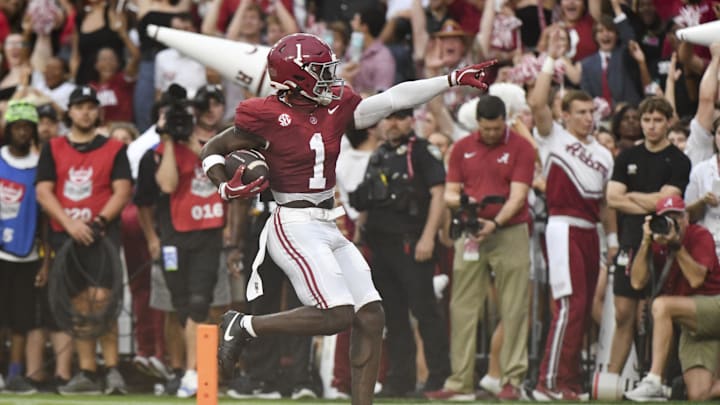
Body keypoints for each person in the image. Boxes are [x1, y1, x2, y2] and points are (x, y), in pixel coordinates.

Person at [199, 33, 495, 405]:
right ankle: (243, 325)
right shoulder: (266, 114)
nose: (329, 79)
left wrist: (449, 80)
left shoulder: (335, 106)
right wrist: (224, 186)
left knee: (371, 316)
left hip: (326, 222)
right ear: (297, 78)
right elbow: (213, 149)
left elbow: (393, 99)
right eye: (320, 72)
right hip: (291, 221)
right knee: (337, 314)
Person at [425, 95, 535, 401]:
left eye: (496, 128)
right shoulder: (462, 148)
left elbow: (518, 195)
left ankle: (512, 379)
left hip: (509, 230)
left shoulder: (521, 147)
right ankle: (459, 381)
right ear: (478, 124)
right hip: (471, 230)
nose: (490, 134)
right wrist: (464, 204)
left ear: (504, 121)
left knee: (513, 306)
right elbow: (449, 193)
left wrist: (496, 223)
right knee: (462, 306)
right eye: (486, 129)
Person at [527, 28, 616, 400]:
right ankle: (549, 383)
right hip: (562, 226)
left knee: (581, 309)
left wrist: (611, 238)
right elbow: (535, 104)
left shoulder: (604, 153)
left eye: (590, 112)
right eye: (580, 112)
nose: (587, 118)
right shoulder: (554, 138)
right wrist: (550, 57)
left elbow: (606, 202)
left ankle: (569, 380)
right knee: (569, 305)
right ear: (565, 114)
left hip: (591, 230)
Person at [35, 85, 133, 395]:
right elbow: (43, 191)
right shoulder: (52, 147)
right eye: (79, 106)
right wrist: (68, 223)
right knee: (77, 305)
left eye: (91, 106)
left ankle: (113, 369)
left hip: (101, 234)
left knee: (102, 300)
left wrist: (99, 220)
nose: (86, 112)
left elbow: (122, 190)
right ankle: (88, 372)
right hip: (65, 237)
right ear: (70, 112)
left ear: (98, 111)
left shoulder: (114, 149)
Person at [351, 107, 451, 397]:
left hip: (412, 243)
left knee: (424, 312)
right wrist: (358, 237)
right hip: (381, 245)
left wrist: (428, 237)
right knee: (392, 316)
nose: (393, 124)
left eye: (400, 118)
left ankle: (437, 378)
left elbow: (438, 194)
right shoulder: (379, 154)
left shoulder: (421, 151)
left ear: (411, 121)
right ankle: (400, 379)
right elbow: (368, 199)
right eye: (389, 118)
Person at [134, 85, 224, 398]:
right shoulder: (155, 154)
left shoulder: (210, 146)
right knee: (182, 305)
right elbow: (168, 184)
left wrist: (188, 137)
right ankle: (189, 371)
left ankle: (194, 373)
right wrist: (169, 139)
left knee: (201, 302)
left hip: (208, 233)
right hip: (173, 237)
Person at [605, 97, 691, 378]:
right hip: (630, 240)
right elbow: (612, 198)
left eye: (657, 120)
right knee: (622, 313)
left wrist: (630, 196)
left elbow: (668, 200)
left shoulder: (678, 160)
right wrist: (650, 200)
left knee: (659, 313)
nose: (651, 126)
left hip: (664, 242)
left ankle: (658, 377)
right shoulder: (627, 156)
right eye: (646, 120)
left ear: (668, 122)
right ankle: (611, 379)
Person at [623, 196, 720, 401]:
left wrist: (676, 246)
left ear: (686, 218)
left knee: (662, 306)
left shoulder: (699, 235)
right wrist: (645, 242)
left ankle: (654, 380)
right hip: (692, 322)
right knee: (699, 393)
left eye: (676, 216)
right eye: (666, 218)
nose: (672, 223)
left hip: (714, 304)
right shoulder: (654, 242)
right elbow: (637, 283)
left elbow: (695, 279)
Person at [0, 101, 49, 394]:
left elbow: (45, 219)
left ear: (32, 132)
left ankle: (15, 374)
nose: (21, 132)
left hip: (27, 253)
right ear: (8, 130)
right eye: (16, 127)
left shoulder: (39, 167)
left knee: (21, 320)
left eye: (26, 128)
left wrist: (45, 262)